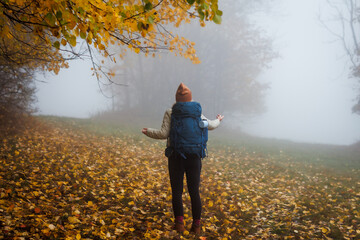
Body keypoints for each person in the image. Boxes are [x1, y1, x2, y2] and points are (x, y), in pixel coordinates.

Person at [142, 83, 224, 234]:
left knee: (177, 191)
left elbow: (163, 134)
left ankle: (179, 224)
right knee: (194, 191)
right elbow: (210, 126)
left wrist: (148, 131)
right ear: (190, 98)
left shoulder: (170, 112)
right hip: (194, 157)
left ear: (177, 99)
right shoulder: (196, 112)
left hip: (175, 157)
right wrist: (218, 119)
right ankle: (197, 226)